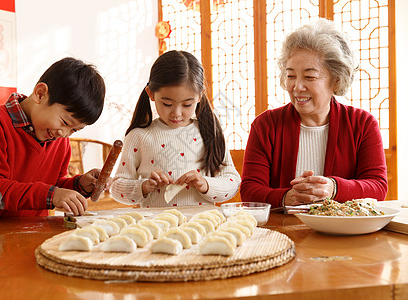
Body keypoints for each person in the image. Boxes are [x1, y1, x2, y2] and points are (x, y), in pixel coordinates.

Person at [0, 57, 106, 262]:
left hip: (31, 241)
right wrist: (52, 194)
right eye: (64, 122)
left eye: (74, 130)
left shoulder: (58, 140)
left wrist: (79, 185)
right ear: (40, 94)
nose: (65, 134)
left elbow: (53, 185)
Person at [240, 19, 388, 209]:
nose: (297, 87)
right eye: (291, 75)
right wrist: (286, 197)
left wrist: (333, 188)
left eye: (309, 76)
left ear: (336, 80)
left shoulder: (362, 123)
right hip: (280, 233)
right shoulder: (265, 125)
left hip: (341, 232)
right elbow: (250, 190)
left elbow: (377, 187)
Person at [110, 50, 241, 207]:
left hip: (202, 227)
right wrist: (144, 186)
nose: (177, 113)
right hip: (156, 228)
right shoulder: (138, 136)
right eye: (167, 104)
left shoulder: (209, 132)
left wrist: (205, 184)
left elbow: (232, 181)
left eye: (187, 104)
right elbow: (116, 187)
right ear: (150, 93)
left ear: (200, 96)